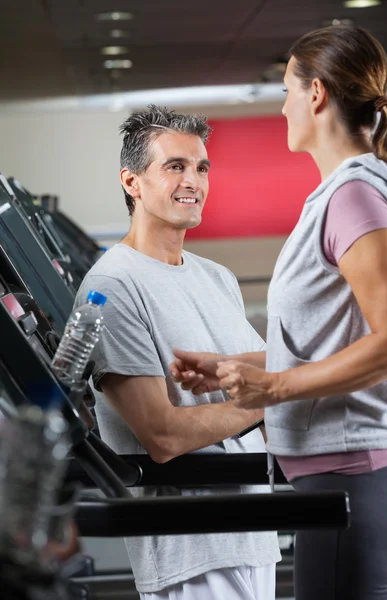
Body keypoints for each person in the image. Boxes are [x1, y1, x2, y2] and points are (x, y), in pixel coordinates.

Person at [171, 25, 387, 600]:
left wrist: (274, 386)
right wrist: (236, 366)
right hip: (342, 472)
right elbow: (333, 337)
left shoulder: (355, 195)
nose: (283, 107)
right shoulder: (342, 194)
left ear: (316, 94)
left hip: (355, 473)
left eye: (286, 91)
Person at [74, 105, 280, 600]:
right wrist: (271, 394)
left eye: (201, 167)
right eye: (175, 166)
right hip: (190, 551)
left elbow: (271, 377)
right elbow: (162, 435)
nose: (194, 180)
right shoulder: (112, 285)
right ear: (132, 181)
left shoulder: (217, 277)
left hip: (255, 531)